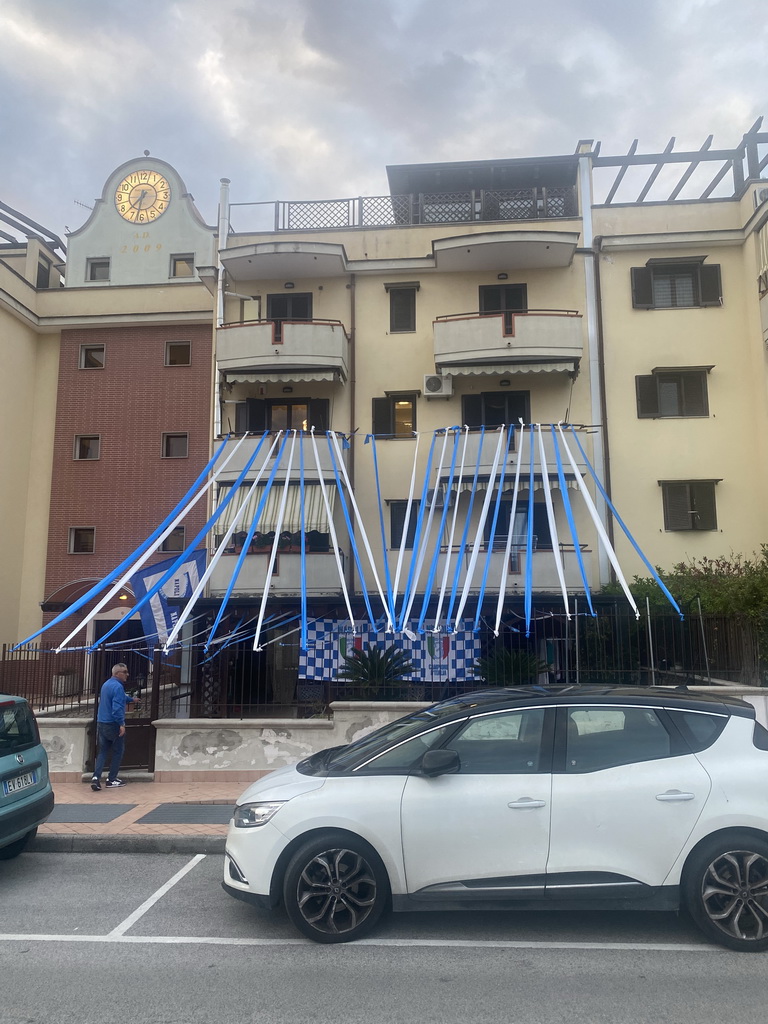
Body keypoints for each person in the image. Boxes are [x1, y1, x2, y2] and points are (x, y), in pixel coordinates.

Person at [91, 663, 140, 791]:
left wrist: (131, 699)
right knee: (118, 751)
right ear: (117, 673)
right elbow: (117, 707)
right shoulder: (118, 687)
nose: (127, 674)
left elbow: (120, 698)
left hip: (101, 722)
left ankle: (96, 778)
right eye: (125, 672)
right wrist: (121, 724)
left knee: (102, 751)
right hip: (113, 724)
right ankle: (111, 779)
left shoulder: (106, 685)